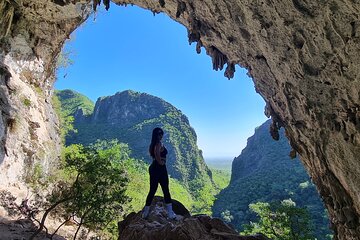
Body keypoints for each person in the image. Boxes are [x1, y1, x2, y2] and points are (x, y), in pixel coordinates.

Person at [141, 127, 176, 219]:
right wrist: (161, 162)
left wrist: (158, 161)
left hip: (153, 168)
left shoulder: (152, 144)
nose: (160, 135)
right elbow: (156, 154)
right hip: (159, 168)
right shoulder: (158, 144)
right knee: (165, 190)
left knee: (152, 190)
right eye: (159, 134)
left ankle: (146, 212)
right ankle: (170, 214)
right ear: (155, 135)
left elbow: (154, 154)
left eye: (161, 133)